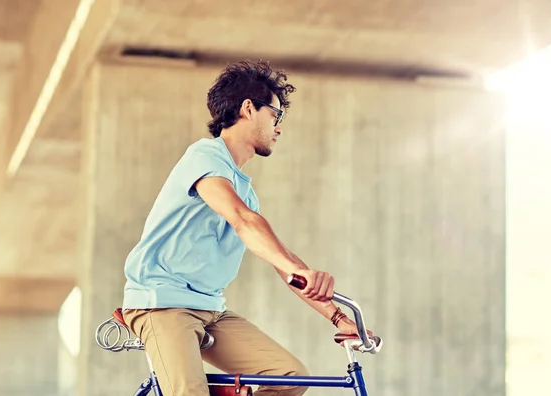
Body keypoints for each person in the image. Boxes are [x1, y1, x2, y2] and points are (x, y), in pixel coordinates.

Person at [121, 60, 369, 396]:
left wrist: (339, 318)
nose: (279, 127)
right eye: (275, 115)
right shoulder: (204, 156)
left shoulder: (246, 192)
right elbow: (242, 221)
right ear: (248, 108)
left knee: (290, 376)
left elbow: (283, 264)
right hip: (162, 304)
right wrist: (297, 268)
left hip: (211, 311)